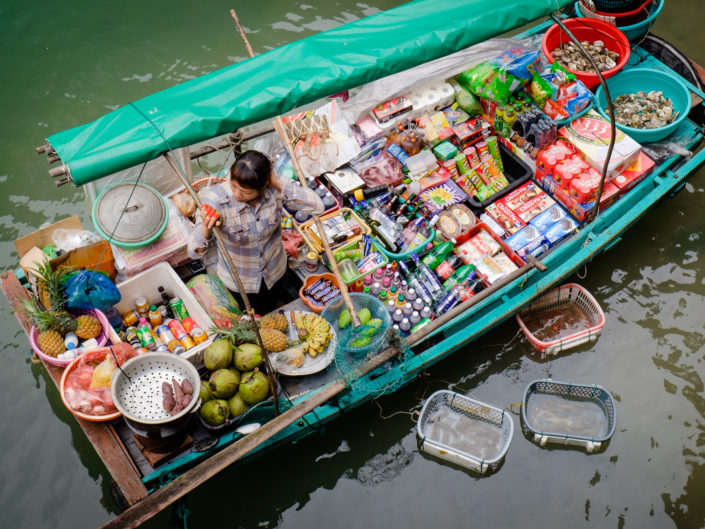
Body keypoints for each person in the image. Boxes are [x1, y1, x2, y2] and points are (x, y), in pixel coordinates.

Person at [188, 150, 323, 315]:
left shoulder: (274, 191)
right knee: (255, 315)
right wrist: (206, 229)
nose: (237, 194)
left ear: (263, 186)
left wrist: (279, 184)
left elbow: (317, 206)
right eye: (234, 186)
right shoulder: (215, 200)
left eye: (245, 192)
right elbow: (193, 252)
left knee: (277, 304)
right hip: (241, 283)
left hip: (276, 270)